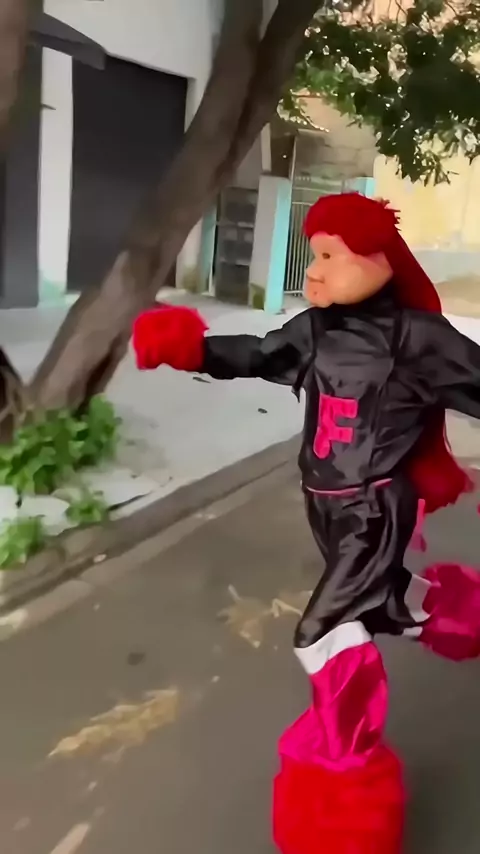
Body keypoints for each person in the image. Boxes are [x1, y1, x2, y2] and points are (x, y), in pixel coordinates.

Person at [131, 192, 480, 854]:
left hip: (375, 507)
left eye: (328, 257)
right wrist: (190, 348)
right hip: (324, 505)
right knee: (382, 601)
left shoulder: (418, 340)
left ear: (378, 260)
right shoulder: (315, 330)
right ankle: (457, 615)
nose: (313, 272)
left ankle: (344, 790)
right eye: (312, 255)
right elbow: (258, 354)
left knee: (322, 633)